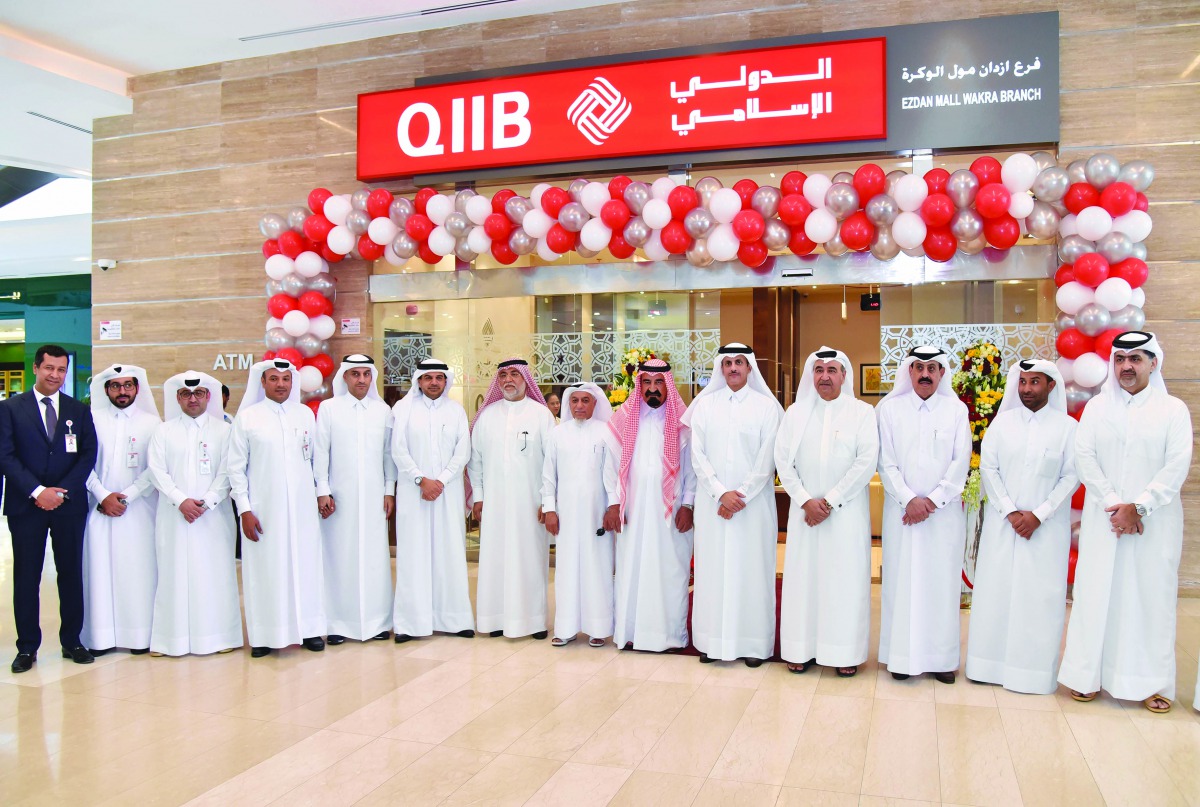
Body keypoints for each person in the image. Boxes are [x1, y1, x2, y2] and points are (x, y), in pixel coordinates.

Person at [1059, 331, 1193, 713]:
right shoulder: (1098, 409)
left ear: (1154, 363)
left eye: (1136, 359)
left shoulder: (1173, 411)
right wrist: (1118, 505)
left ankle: (1151, 683)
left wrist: (1141, 506)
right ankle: (1087, 678)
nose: (1127, 367)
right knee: (1096, 595)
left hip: (1154, 525)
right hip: (1105, 521)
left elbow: (1176, 465)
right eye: (1120, 359)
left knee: (1149, 599)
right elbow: (1085, 458)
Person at [965, 360, 1077, 694]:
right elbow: (989, 468)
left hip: (1046, 530)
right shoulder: (1002, 424)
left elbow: (1072, 476)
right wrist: (1011, 512)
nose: (1027, 389)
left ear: (1051, 386)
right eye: (1023, 382)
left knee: (1038, 599)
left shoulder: (1068, 428)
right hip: (1004, 526)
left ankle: (1032, 673)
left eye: (1035, 382)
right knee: (996, 593)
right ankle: (987, 666)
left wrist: (1039, 514)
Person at [775, 347, 878, 678]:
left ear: (844, 376)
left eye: (832, 370)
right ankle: (800, 649)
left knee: (843, 581)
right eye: (818, 370)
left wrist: (830, 500)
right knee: (803, 581)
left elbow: (866, 462)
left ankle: (843, 652)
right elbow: (782, 461)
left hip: (844, 515)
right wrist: (806, 500)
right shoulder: (795, 413)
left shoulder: (862, 413)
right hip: (805, 515)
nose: (824, 376)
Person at [0, 344, 98, 673]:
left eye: (61, 370)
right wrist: (38, 491)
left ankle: (72, 640)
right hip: (25, 506)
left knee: (71, 573)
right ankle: (27, 647)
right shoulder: (11, 409)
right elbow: (6, 456)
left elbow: (87, 455)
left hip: (68, 507)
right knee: (26, 577)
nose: (55, 375)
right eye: (49, 368)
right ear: (36, 369)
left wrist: (62, 492)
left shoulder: (79, 410)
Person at [876, 345, 971, 684]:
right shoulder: (889, 409)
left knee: (941, 584)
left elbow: (962, 462)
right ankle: (900, 657)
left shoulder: (956, 411)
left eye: (933, 367)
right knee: (901, 584)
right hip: (901, 514)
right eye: (919, 367)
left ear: (943, 372)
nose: (926, 373)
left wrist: (931, 501)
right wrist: (908, 499)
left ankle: (942, 659)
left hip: (942, 518)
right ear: (909, 371)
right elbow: (884, 462)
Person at [684, 343, 782, 667]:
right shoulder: (705, 406)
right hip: (713, 507)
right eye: (727, 363)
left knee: (753, 572)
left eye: (740, 362)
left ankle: (753, 645)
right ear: (720, 368)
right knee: (712, 572)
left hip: (753, 509)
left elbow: (768, 459)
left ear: (750, 367)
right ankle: (712, 643)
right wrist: (719, 492)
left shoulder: (767, 408)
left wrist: (739, 495)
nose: (733, 368)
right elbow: (696, 455)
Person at [227, 358, 325, 657]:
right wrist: (244, 509)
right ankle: (265, 637)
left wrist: (322, 493)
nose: (281, 384)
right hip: (263, 510)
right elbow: (235, 469)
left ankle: (308, 630)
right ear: (263, 382)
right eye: (274, 379)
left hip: (302, 509)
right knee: (266, 572)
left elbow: (316, 460)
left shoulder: (305, 414)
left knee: (305, 568)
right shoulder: (248, 418)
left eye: (285, 379)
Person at [147, 372, 242, 656]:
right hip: (174, 515)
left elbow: (230, 470)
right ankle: (170, 641)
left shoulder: (225, 431)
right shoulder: (163, 431)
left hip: (214, 516)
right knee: (173, 574)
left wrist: (207, 501)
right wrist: (181, 501)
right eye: (186, 394)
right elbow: (156, 471)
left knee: (214, 575)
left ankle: (220, 638)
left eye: (198, 393)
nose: (192, 399)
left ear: (208, 397)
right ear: (177, 398)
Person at [609, 359, 696, 652]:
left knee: (670, 572)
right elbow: (611, 467)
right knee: (630, 568)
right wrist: (614, 503)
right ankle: (630, 632)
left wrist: (688, 504)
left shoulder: (683, 423)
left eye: (658, 383)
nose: (653, 390)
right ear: (639, 386)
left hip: (670, 515)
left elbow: (691, 470)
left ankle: (669, 635)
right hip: (633, 511)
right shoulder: (623, 419)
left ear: (667, 386)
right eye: (646, 383)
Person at [467, 358, 557, 639]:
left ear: (526, 379)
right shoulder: (487, 416)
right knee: (494, 560)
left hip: (530, 504)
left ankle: (533, 621)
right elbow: (475, 461)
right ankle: (494, 619)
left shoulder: (541, 415)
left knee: (530, 560)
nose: (509, 379)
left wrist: (548, 500)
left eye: (515, 374)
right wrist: (478, 498)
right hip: (494, 503)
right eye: (503, 374)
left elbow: (551, 462)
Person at [314, 355, 396, 645]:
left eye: (366, 374)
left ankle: (377, 623)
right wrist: (322, 490)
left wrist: (389, 490)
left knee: (375, 559)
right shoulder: (329, 409)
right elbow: (320, 452)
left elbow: (389, 455)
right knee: (339, 557)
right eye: (355, 374)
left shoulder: (382, 410)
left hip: (375, 497)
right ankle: (338, 623)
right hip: (339, 499)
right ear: (344, 378)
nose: (361, 380)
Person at [390, 358, 475, 642]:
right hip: (414, 493)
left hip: (447, 493)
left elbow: (463, 451)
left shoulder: (456, 410)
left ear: (446, 381)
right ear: (419, 381)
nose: (434, 383)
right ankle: (410, 623)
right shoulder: (402, 409)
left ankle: (455, 620)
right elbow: (397, 450)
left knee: (449, 552)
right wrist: (420, 480)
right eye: (429, 378)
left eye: (439, 378)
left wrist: (441, 480)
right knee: (414, 555)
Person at [81, 364, 161, 656]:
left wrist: (125, 497)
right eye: (116, 386)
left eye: (128, 385)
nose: (123, 391)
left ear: (137, 389)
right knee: (98, 572)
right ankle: (99, 638)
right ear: (106, 390)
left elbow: (156, 470)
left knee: (137, 571)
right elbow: (81, 463)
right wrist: (103, 496)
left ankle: (139, 637)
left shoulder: (152, 423)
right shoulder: (90, 419)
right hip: (97, 509)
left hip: (139, 511)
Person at [541, 382, 621, 648]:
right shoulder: (558, 434)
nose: (579, 406)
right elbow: (548, 476)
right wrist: (549, 509)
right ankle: (566, 627)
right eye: (574, 401)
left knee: (597, 568)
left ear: (595, 404)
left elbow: (612, 475)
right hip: (565, 514)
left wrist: (613, 507)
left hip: (597, 514)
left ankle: (598, 628)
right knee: (566, 570)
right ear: (568, 404)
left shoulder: (606, 432)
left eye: (585, 401)